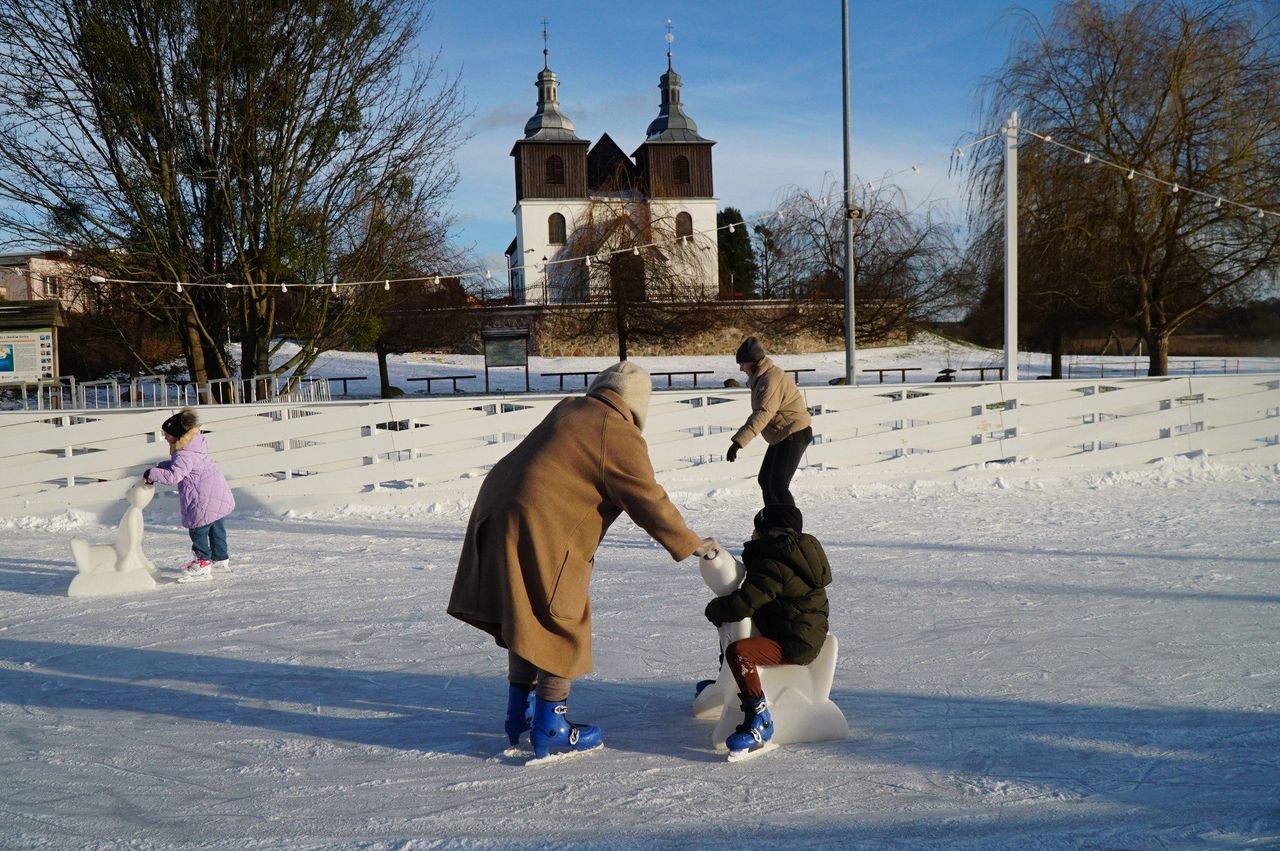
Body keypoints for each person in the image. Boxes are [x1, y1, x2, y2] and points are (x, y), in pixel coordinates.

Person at [448, 362, 720, 760]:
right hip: (540, 521)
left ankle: (518, 714)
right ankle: (550, 725)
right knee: (560, 615)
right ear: (637, 404)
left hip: (495, 509)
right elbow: (648, 500)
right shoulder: (618, 431)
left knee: (526, 613)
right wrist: (691, 543)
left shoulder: (570, 407)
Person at [703, 504, 831, 756]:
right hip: (802, 632)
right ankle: (725, 682)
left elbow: (744, 602)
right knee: (741, 626)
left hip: (792, 641)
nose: (752, 533)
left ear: (768, 532)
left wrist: (714, 610)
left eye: (757, 529)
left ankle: (759, 719)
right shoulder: (795, 555)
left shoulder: (774, 562)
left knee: (740, 652)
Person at [142, 407, 235, 583]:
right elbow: (183, 465)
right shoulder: (194, 447)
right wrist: (163, 465)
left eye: (167, 434)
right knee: (216, 528)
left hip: (201, 498)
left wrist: (151, 473)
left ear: (178, 435)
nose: (165, 437)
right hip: (215, 494)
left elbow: (174, 476)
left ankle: (202, 564)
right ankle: (220, 560)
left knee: (198, 530)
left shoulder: (184, 454)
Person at [725, 336, 813, 508]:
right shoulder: (761, 377)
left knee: (778, 485)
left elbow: (763, 413)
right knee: (765, 480)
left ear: (754, 361)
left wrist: (738, 442)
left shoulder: (771, 379)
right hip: (782, 434)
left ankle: (790, 527)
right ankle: (774, 524)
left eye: (743, 363)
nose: (741, 368)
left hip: (794, 433)